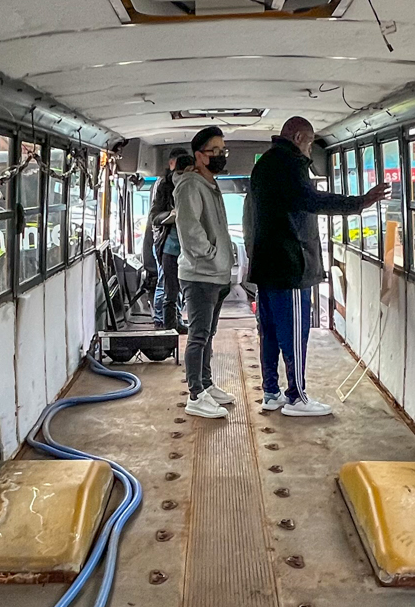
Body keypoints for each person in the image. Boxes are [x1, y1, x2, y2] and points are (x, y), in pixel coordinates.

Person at [245, 115, 388, 416]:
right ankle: (297, 397)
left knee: (269, 332)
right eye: (309, 144)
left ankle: (271, 392)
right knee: (295, 334)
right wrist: (359, 203)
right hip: (291, 265)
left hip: (266, 265)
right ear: (298, 138)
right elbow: (314, 201)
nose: (310, 152)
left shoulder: (263, 165)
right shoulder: (291, 164)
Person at [176, 126, 236, 419]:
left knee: (208, 334)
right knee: (198, 335)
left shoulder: (209, 184)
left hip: (216, 274)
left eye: (223, 151)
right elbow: (190, 231)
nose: (221, 156)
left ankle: (206, 384)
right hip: (200, 274)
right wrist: (211, 255)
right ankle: (195, 395)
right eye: (215, 152)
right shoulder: (190, 186)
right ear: (199, 156)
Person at [150, 152, 194, 329]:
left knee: (187, 291)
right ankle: (167, 329)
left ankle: (178, 321)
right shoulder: (165, 186)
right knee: (170, 290)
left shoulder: (195, 187)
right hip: (170, 246)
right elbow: (155, 217)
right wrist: (171, 215)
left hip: (190, 248)